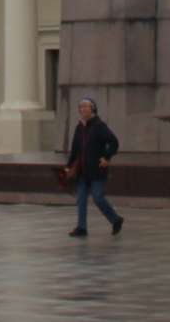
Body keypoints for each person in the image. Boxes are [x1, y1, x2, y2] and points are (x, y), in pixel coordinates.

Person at [64, 98, 122, 237]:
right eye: (81, 107)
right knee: (81, 199)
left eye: (86, 107)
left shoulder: (99, 126)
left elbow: (113, 142)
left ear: (93, 109)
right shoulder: (79, 127)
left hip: (97, 169)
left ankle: (115, 219)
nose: (83, 109)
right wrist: (68, 166)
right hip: (82, 171)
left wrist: (106, 157)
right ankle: (81, 228)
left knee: (98, 197)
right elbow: (75, 149)